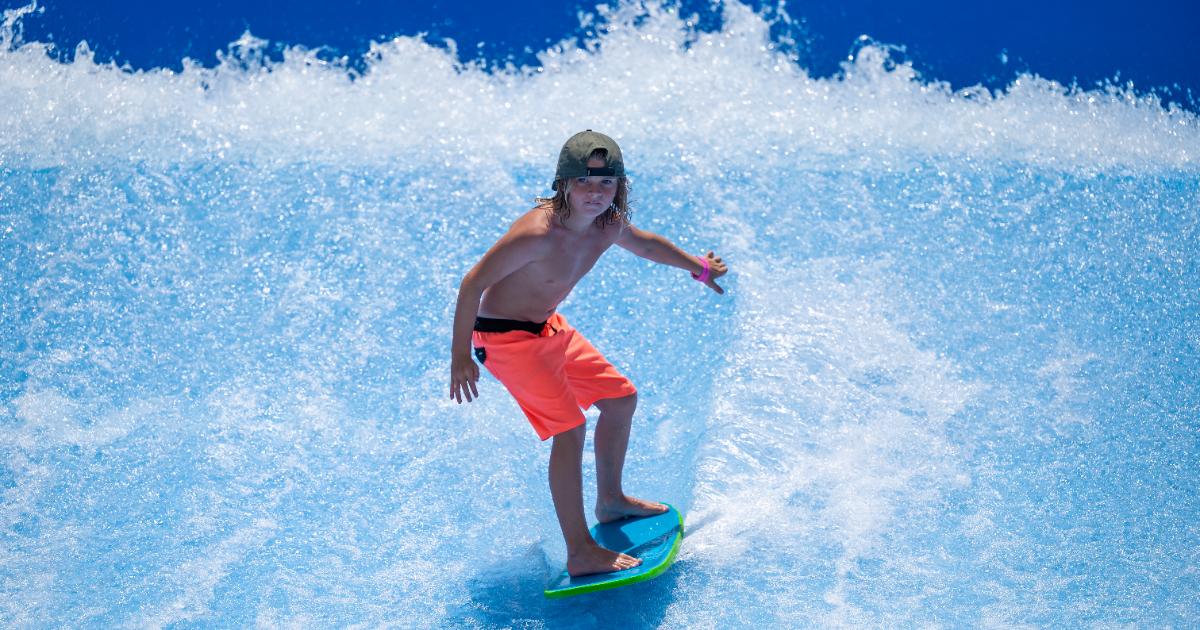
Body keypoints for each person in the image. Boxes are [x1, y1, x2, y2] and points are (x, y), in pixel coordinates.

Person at [449, 130, 728, 577]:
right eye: (585, 182)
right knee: (570, 428)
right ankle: (579, 551)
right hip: (504, 339)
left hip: (548, 329)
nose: (596, 193)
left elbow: (647, 245)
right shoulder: (535, 234)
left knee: (620, 398)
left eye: (607, 183)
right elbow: (473, 283)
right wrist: (460, 357)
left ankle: (611, 501)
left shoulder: (608, 224)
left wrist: (698, 268)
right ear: (563, 183)